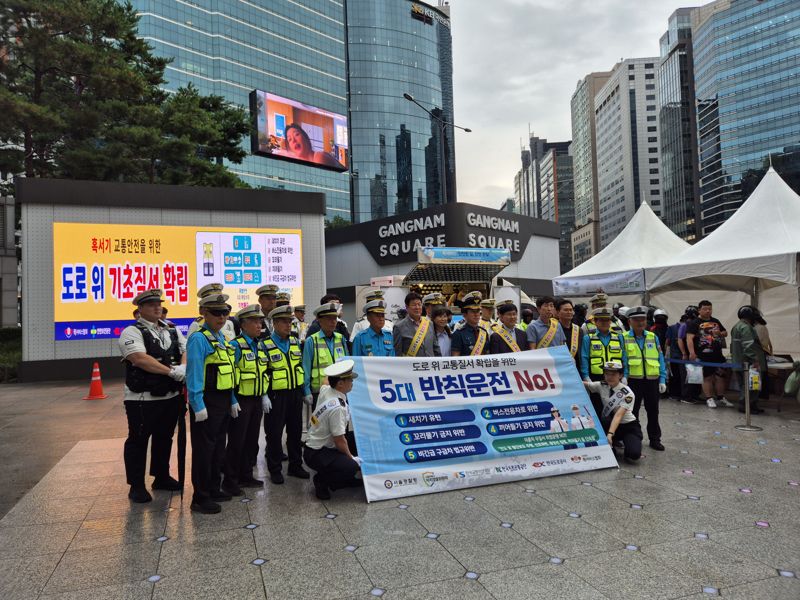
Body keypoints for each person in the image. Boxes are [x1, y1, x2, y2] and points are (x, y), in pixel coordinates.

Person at [118, 289, 186, 503]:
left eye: (159, 304)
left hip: (170, 396)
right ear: (140, 309)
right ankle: (136, 485)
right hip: (143, 399)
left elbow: (184, 349)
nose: (157, 307)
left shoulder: (171, 330)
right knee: (138, 440)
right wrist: (171, 371)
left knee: (164, 438)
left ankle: (161, 476)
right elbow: (139, 358)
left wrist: (183, 367)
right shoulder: (132, 331)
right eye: (151, 305)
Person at [186, 293, 239, 514]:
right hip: (207, 401)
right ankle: (201, 497)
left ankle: (214, 488)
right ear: (204, 313)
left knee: (218, 447)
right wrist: (197, 404)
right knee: (204, 450)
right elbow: (194, 374)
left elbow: (230, 374)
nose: (222, 317)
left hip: (223, 401)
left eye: (225, 312)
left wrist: (233, 400)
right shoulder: (199, 339)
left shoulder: (221, 339)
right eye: (216, 313)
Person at [223, 305, 269, 495]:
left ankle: (246, 475)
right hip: (241, 400)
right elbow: (231, 376)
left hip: (256, 399)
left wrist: (264, 395)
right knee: (236, 442)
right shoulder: (236, 345)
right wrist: (232, 400)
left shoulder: (258, 344)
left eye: (260, 321)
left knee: (251, 440)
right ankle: (230, 481)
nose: (259, 325)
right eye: (255, 321)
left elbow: (262, 372)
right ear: (243, 324)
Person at [262, 305, 309, 483]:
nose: (288, 325)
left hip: (295, 394)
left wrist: (305, 391)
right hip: (275, 396)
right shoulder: (265, 344)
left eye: (290, 321)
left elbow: (300, 368)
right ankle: (275, 469)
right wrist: (263, 396)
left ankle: (295, 465)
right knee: (274, 433)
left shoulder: (296, 342)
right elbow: (262, 372)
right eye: (283, 321)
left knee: (295, 432)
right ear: (274, 323)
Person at [304, 360, 362, 500]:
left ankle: (345, 478)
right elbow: (339, 440)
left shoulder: (327, 390)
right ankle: (322, 481)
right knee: (351, 466)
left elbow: (325, 381)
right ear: (340, 384)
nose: (352, 382)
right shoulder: (338, 408)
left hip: (314, 444)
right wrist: (352, 459)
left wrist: (335, 367)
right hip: (317, 452)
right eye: (349, 379)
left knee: (358, 440)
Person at [624, 306, 667, 451]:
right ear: (630, 321)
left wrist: (662, 379)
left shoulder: (652, 337)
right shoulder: (623, 337)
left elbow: (660, 358)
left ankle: (655, 439)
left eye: (642, 319)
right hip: (632, 381)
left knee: (653, 411)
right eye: (636, 320)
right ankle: (635, 437)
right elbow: (623, 359)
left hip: (652, 380)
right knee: (633, 412)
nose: (640, 322)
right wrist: (623, 377)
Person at [583, 361, 642, 463]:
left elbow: (618, 415)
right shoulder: (601, 385)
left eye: (613, 374)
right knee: (609, 455)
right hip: (609, 424)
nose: (609, 377)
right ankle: (613, 445)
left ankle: (624, 442)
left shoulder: (627, 393)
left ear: (620, 375)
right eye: (607, 374)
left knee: (634, 454)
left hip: (628, 426)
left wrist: (610, 434)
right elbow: (586, 384)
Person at [580, 307, 628, 418]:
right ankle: (602, 433)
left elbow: (624, 358)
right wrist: (586, 377)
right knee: (597, 409)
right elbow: (584, 358)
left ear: (610, 321)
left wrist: (625, 375)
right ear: (595, 322)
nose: (605, 323)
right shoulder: (589, 338)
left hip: (616, 378)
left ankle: (614, 434)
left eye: (607, 320)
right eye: (601, 320)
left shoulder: (619, 337)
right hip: (596, 377)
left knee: (616, 408)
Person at [686, 300, 733, 408]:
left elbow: (725, 332)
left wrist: (720, 333)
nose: (708, 311)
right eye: (705, 309)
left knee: (720, 376)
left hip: (717, 354)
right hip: (703, 355)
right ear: (699, 310)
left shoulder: (716, 321)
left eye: (710, 309)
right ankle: (709, 398)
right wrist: (692, 353)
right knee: (706, 377)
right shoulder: (694, 323)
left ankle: (721, 397)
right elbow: (689, 338)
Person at [303, 302, 348, 409]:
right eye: (329, 319)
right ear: (319, 320)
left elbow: (347, 364)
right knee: (322, 425)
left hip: (340, 390)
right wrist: (307, 391)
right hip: (320, 392)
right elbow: (306, 368)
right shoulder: (311, 341)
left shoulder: (340, 338)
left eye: (335, 318)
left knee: (341, 424)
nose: (333, 322)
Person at [731, 306, 767, 415]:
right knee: (752, 386)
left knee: (744, 385)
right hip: (748, 363)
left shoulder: (736, 326)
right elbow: (749, 346)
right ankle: (747, 406)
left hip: (738, 361)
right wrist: (755, 360)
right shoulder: (746, 327)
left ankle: (750, 405)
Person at [393, 292, 441, 357]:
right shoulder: (399, 327)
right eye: (414, 305)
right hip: (411, 366)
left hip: (429, 365)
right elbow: (397, 353)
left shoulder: (429, 323)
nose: (417, 307)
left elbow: (435, 347)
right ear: (407, 307)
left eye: (419, 304)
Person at [451, 292, 489, 356]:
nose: (476, 314)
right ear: (464, 315)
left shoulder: (484, 332)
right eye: (473, 311)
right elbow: (455, 358)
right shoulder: (458, 334)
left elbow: (487, 354)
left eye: (478, 311)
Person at [678, 306, 701, 404]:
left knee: (696, 375)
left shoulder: (697, 324)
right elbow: (680, 339)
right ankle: (686, 396)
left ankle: (695, 395)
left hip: (696, 354)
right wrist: (684, 353)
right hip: (688, 354)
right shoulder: (685, 325)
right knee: (687, 376)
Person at [555, 298, 582, 369]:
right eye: (566, 310)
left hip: (575, 369)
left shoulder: (578, 330)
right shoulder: (553, 329)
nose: (569, 312)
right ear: (557, 312)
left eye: (571, 310)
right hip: (558, 367)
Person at [665, 314, 686, 400]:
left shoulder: (672, 327)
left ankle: (674, 394)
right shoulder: (687, 327)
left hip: (674, 356)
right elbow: (667, 342)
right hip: (680, 356)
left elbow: (667, 342)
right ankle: (681, 394)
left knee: (675, 375)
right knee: (683, 376)